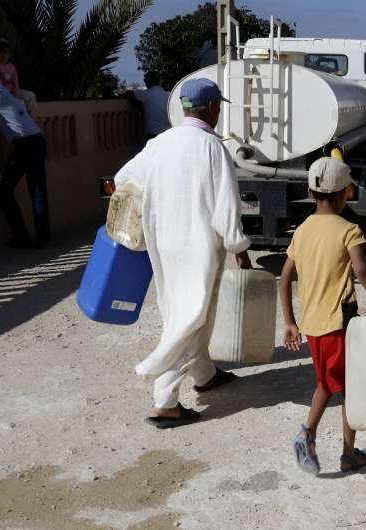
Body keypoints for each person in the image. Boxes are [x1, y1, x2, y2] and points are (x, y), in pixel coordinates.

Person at [113, 78, 252, 428]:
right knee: (190, 315)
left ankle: (204, 374)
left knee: (183, 308)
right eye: (219, 106)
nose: (219, 112)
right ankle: (164, 400)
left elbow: (122, 178)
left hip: (164, 242)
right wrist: (239, 247)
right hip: (199, 245)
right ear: (210, 108)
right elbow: (226, 207)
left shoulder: (160, 143)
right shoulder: (212, 147)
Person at [280, 157, 366, 474]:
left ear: (310, 191)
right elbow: (361, 269)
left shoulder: (301, 231)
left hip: (313, 325)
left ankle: (318, 439)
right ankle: (338, 450)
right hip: (340, 324)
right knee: (348, 390)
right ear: (345, 193)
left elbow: (286, 277)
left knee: (326, 385)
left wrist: (289, 322)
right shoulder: (348, 229)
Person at [0, 83, 50, 248]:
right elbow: (29, 96)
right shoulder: (1, 90)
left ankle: (22, 237)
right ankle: (42, 238)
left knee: (4, 189)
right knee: (37, 190)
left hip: (24, 143)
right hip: (35, 138)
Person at [127, 71, 171, 141]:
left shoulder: (147, 94)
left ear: (148, 81)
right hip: (168, 133)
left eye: (145, 80)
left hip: (152, 135)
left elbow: (128, 94)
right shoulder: (168, 95)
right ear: (160, 81)